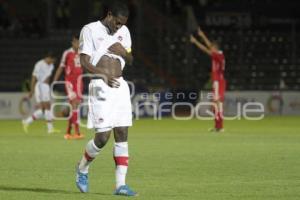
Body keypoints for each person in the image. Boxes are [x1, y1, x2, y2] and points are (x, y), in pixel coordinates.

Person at [76, 1, 136, 196]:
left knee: (122, 133)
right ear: (109, 15)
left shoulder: (124, 32)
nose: (119, 27)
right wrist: (103, 75)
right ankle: (83, 168)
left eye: (122, 24)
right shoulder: (90, 30)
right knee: (102, 137)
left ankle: (120, 185)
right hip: (101, 86)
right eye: (117, 23)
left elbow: (131, 59)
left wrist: (124, 54)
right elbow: (84, 61)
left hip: (120, 86)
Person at [190, 27, 226, 132]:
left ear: (216, 48)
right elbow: (208, 47)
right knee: (215, 104)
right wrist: (199, 38)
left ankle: (220, 127)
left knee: (217, 103)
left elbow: (207, 48)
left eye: (212, 47)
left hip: (219, 81)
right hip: (216, 82)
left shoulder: (219, 55)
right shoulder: (217, 55)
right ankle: (217, 127)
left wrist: (199, 38)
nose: (211, 48)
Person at [53, 34, 84, 140]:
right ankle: (77, 132)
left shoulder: (83, 53)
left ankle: (67, 132)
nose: (78, 44)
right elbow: (61, 67)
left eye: (79, 42)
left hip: (79, 82)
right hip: (70, 83)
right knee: (74, 104)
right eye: (76, 42)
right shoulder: (67, 53)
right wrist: (55, 80)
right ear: (72, 42)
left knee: (75, 107)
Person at [22, 52, 60, 134]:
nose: (53, 62)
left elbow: (48, 78)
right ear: (49, 58)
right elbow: (33, 78)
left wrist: (48, 87)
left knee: (43, 110)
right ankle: (50, 129)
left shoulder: (51, 66)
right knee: (47, 106)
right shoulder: (39, 64)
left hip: (45, 87)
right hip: (40, 86)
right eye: (53, 60)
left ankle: (26, 122)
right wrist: (31, 91)